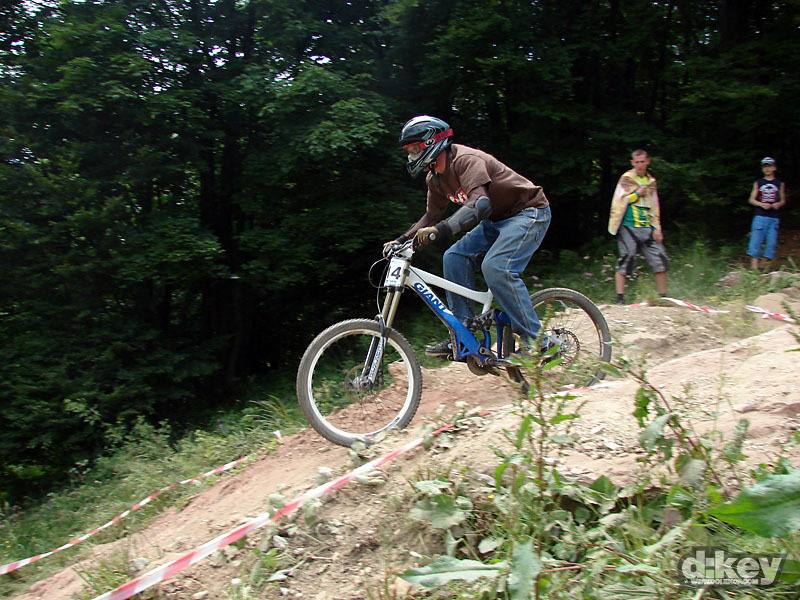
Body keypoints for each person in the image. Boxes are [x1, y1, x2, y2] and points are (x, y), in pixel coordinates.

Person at [383, 115, 551, 357]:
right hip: (496, 220)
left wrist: (441, 230)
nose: (411, 157)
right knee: (453, 256)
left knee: (496, 267)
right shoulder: (435, 178)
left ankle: (537, 341)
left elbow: (480, 204)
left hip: (527, 212)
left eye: (414, 150)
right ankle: (464, 334)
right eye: (408, 152)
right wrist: (401, 241)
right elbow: (431, 215)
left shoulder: (465, 160)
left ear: (431, 142)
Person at [608, 149, 668, 305]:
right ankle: (620, 298)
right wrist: (637, 194)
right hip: (628, 226)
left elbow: (654, 206)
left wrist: (657, 228)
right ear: (632, 163)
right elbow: (618, 201)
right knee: (627, 257)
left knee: (660, 257)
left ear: (648, 161)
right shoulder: (626, 179)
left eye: (642, 161)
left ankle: (663, 296)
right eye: (637, 162)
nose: (640, 165)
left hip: (647, 226)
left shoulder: (651, 182)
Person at [747, 156, 787, 270]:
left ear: (774, 168)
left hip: (773, 217)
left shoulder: (779, 184)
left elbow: (783, 200)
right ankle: (754, 271)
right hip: (760, 216)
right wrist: (761, 204)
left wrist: (778, 204)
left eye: (769, 166)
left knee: (771, 245)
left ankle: (762, 270)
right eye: (765, 167)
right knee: (756, 243)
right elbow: (751, 199)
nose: (767, 169)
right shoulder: (758, 183)